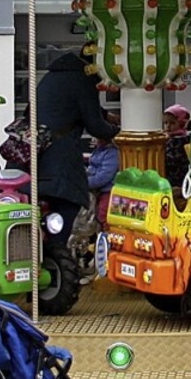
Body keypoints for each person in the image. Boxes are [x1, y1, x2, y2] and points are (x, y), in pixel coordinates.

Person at [35, 48, 120, 245]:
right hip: (59, 163)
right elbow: (95, 125)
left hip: (35, 159)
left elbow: (68, 105)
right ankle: (56, 254)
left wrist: (106, 115)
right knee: (66, 208)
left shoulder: (54, 77)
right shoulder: (83, 79)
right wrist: (119, 133)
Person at [87, 132, 120, 228]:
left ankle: (107, 233)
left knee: (103, 213)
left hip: (108, 190)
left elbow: (104, 177)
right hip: (96, 190)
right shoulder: (98, 151)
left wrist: (86, 182)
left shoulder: (112, 153)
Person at [163, 105, 191, 205]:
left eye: (172, 123)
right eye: (165, 123)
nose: (168, 126)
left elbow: (171, 160)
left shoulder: (181, 139)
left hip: (179, 180)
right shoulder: (170, 138)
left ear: (181, 123)